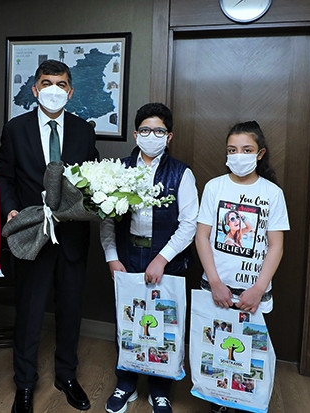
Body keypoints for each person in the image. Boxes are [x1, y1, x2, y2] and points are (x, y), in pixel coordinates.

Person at [0, 59, 99, 413]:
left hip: (72, 236)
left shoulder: (84, 130)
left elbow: (92, 178)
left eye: (61, 84)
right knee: (29, 312)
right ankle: (24, 384)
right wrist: (10, 209)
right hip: (32, 233)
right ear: (35, 89)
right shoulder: (16, 129)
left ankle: (67, 376)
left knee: (70, 310)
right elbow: (5, 176)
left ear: (70, 92)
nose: (53, 89)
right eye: (46, 83)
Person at [100, 102, 198, 413]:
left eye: (159, 131)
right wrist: (112, 257)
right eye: (145, 130)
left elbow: (189, 224)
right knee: (127, 321)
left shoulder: (181, 173)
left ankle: (160, 389)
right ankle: (125, 383)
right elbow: (106, 218)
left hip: (166, 260)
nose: (151, 136)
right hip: (127, 257)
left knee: (163, 324)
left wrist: (162, 259)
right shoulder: (118, 170)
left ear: (169, 136)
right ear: (135, 134)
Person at [195, 121, 289, 413]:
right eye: (232, 150)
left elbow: (276, 246)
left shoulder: (272, 193)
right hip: (216, 288)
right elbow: (202, 236)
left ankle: (245, 402)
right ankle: (218, 401)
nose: (239, 156)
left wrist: (258, 289)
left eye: (247, 150)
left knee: (247, 354)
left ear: (260, 153)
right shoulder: (214, 187)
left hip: (253, 294)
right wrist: (215, 282)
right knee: (217, 349)